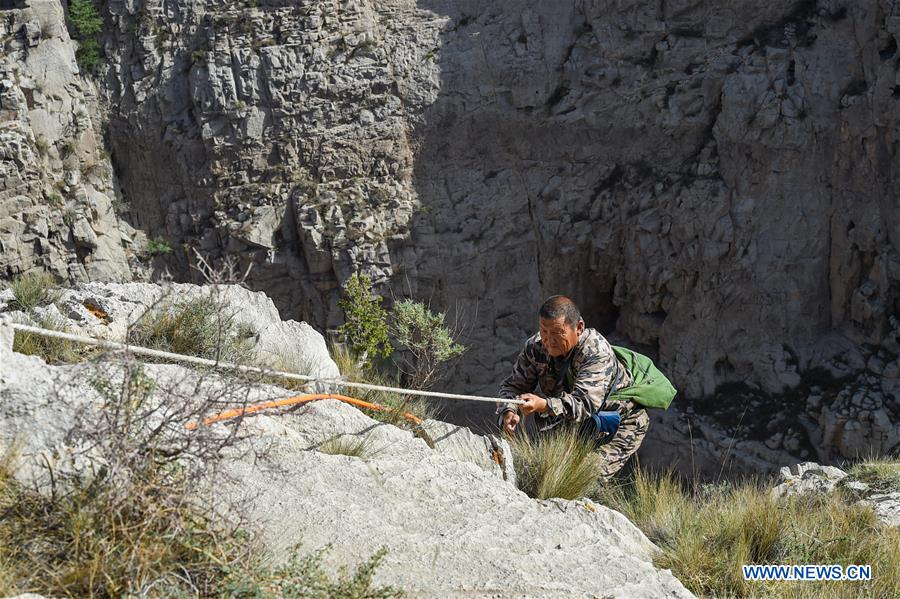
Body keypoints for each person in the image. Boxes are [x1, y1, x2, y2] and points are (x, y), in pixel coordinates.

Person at [497, 295, 649, 480]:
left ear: (579, 328)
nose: (548, 340)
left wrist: (543, 404)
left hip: (619, 424)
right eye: (543, 331)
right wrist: (509, 410)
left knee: (583, 477)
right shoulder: (535, 347)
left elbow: (584, 404)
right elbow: (513, 386)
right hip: (576, 424)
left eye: (557, 333)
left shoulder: (596, 352)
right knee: (548, 475)